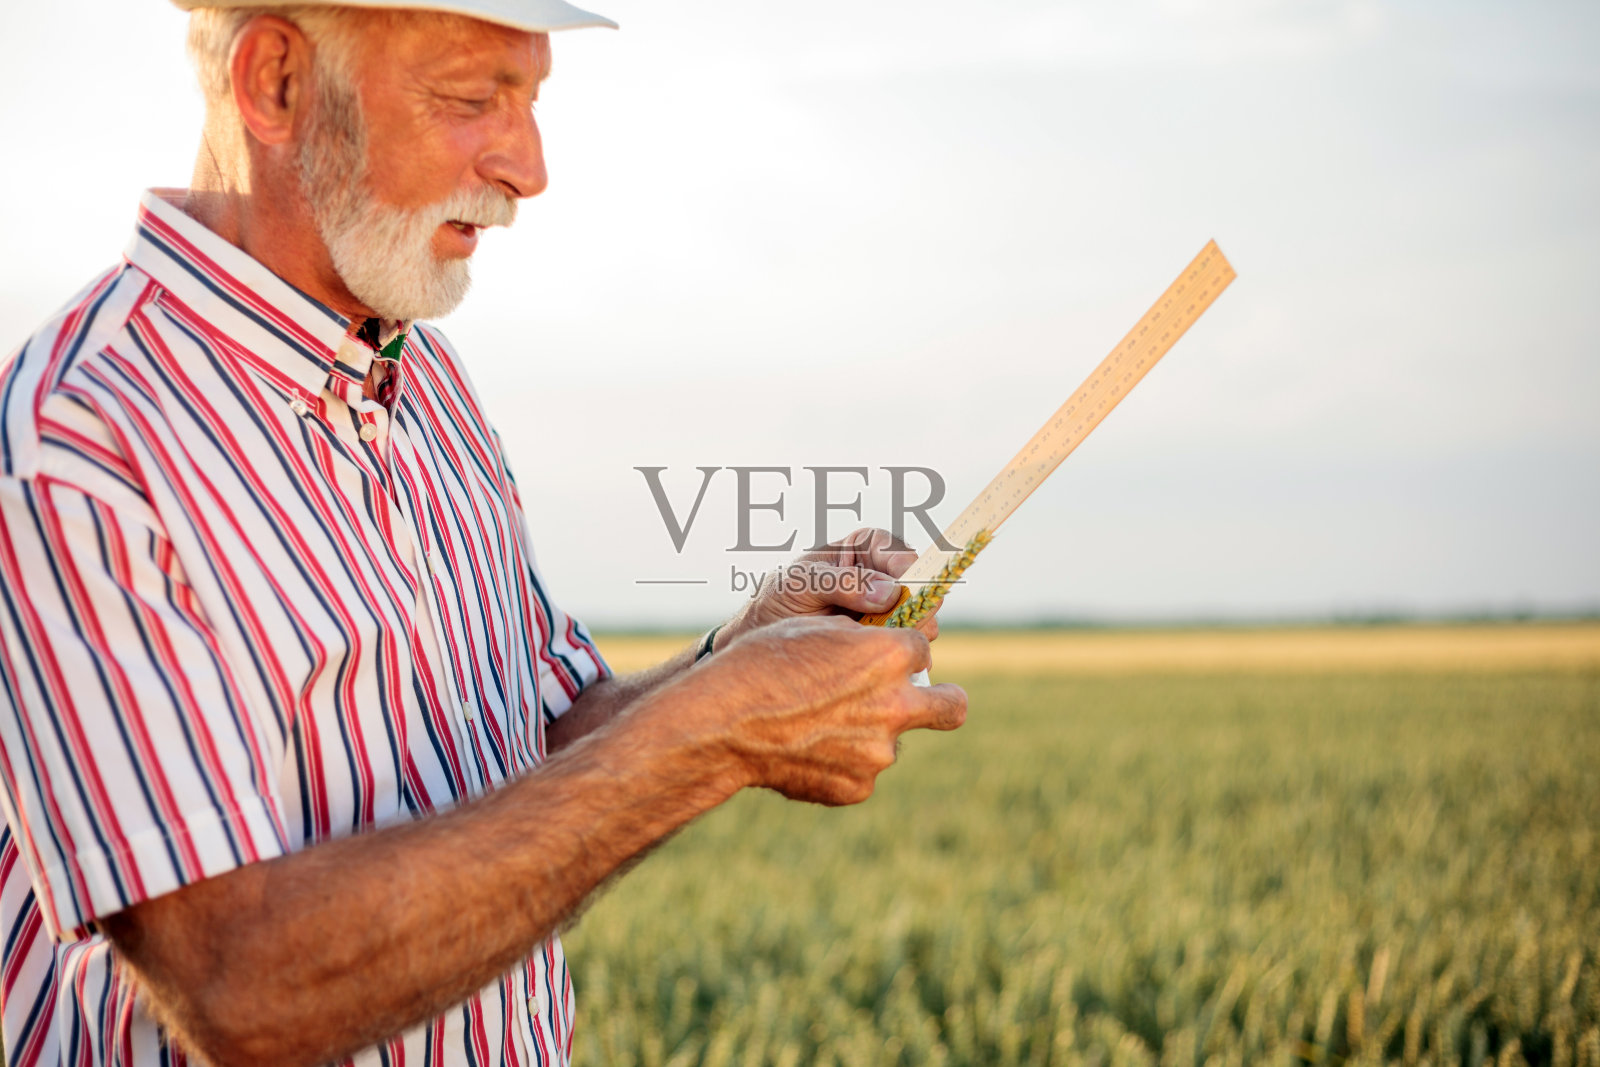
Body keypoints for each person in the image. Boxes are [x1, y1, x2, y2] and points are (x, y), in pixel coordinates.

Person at [0, 1, 967, 1064]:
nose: (528, 167)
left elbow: (527, 745)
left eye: (532, 98)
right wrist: (710, 733)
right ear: (274, 82)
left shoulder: (426, 381)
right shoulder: (81, 436)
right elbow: (237, 982)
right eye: (472, 99)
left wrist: (729, 656)